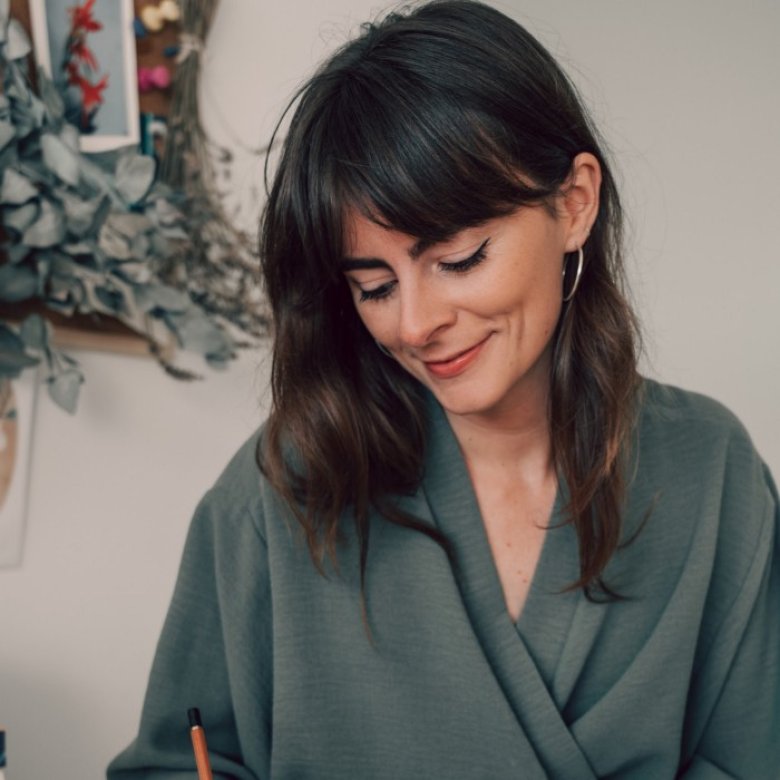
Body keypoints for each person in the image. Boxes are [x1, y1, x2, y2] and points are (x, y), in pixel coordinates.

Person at [108, 2, 779, 778]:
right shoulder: (283, 486)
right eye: (373, 285)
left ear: (574, 203)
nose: (416, 324)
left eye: (458, 260)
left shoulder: (711, 472)